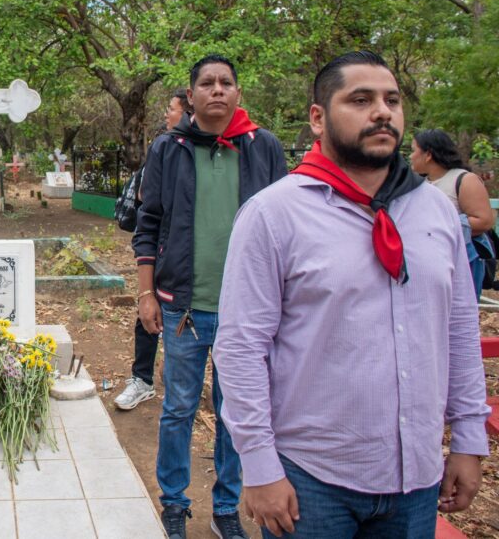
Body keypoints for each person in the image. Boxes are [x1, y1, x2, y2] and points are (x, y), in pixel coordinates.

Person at [214, 51, 490, 539]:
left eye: (392, 100)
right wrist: (258, 466)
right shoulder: (274, 214)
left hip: (416, 476)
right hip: (311, 479)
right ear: (318, 118)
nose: (382, 112)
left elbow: (459, 329)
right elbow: (240, 348)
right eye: (360, 100)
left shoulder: (437, 215)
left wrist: (469, 437)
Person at [133, 55, 287, 539]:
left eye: (226, 83)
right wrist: (146, 293)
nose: (217, 90)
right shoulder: (169, 148)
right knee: (178, 408)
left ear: (238, 93)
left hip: (250, 313)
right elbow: (149, 222)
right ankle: (174, 505)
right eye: (206, 83)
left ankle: (226, 509)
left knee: (236, 412)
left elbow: (288, 227)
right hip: (184, 309)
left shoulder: (263, 148)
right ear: (192, 95)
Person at [116, 87, 193, 410]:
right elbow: (146, 208)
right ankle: (142, 379)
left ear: (188, 111)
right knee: (147, 316)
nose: (166, 114)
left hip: (189, 261)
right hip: (161, 254)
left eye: (171, 109)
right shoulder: (163, 149)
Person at [410, 128, 496, 296]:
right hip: (431, 259)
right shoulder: (422, 184)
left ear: (428, 155)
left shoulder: (463, 179)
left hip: (463, 258)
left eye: (414, 151)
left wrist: (437, 224)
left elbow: (483, 221)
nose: (411, 157)